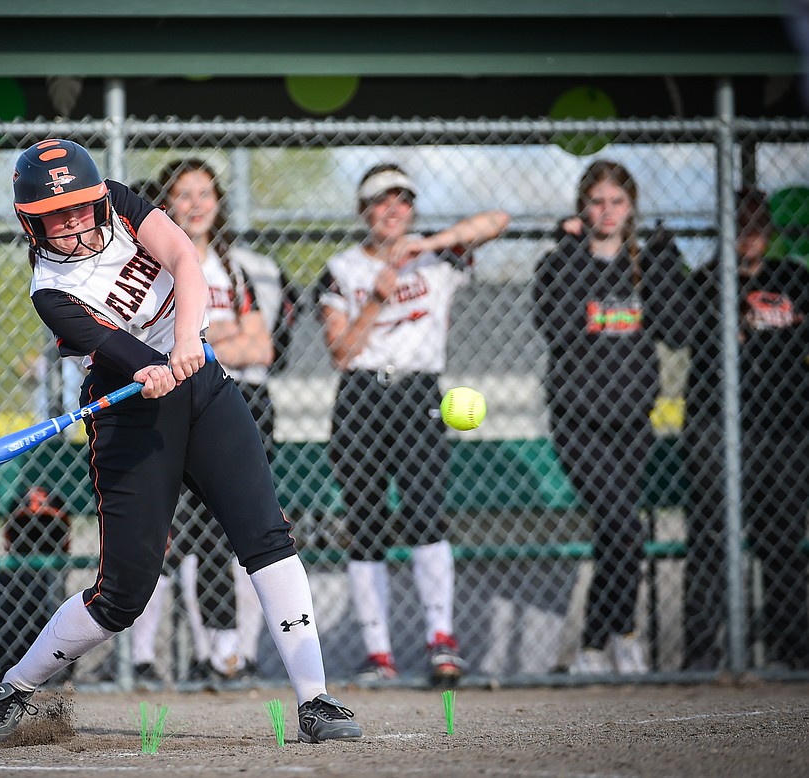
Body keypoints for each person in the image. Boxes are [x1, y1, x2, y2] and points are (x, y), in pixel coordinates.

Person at [0, 139, 361, 745]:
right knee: (122, 595)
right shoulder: (50, 291)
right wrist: (144, 366)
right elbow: (118, 349)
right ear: (33, 221)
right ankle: (17, 686)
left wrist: (185, 343)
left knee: (265, 533)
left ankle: (315, 699)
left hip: (204, 386)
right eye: (59, 212)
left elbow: (185, 261)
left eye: (82, 205)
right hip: (129, 414)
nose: (75, 219)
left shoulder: (123, 205)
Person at [318, 162, 509, 686]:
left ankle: (441, 641)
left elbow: (498, 219)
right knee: (366, 523)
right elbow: (340, 351)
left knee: (426, 514)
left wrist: (425, 247)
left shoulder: (437, 258)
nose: (392, 210)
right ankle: (378, 654)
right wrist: (377, 299)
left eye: (401, 199)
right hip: (360, 393)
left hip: (420, 391)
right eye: (381, 201)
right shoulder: (342, 268)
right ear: (364, 211)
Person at [129, 158, 281, 685]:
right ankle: (166, 657)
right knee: (178, 537)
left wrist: (199, 340)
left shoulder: (234, 268)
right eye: (183, 195)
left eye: (205, 194)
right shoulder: (154, 262)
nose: (196, 205)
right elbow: (159, 340)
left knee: (235, 534)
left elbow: (262, 345)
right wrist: (211, 341)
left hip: (239, 405)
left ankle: (227, 655)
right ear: (166, 204)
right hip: (175, 407)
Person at [533, 159, 686, 676]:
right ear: (582, 206)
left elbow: (678, 331)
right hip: (580, 421)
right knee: (623, 523)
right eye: (597, 201)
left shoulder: (647, 263)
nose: (607, 211)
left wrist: (667, 264)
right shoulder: (560, 261)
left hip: (632, 419)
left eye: (617, 202)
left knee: (616, 532)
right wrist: (576, 253)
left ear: (631, 207)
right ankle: (611, 636)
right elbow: (556, 326)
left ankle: (606, 640)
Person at [680, 188, 809, 671]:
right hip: (718, 427)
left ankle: (792, 651)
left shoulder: (793, 278)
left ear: (770, 231)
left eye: (758, 224)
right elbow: (679, 333)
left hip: (785, 429)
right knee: (713, 537)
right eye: (740, 224)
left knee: (781, 539)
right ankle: (700, 654)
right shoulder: (706, 282)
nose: (750, 234)